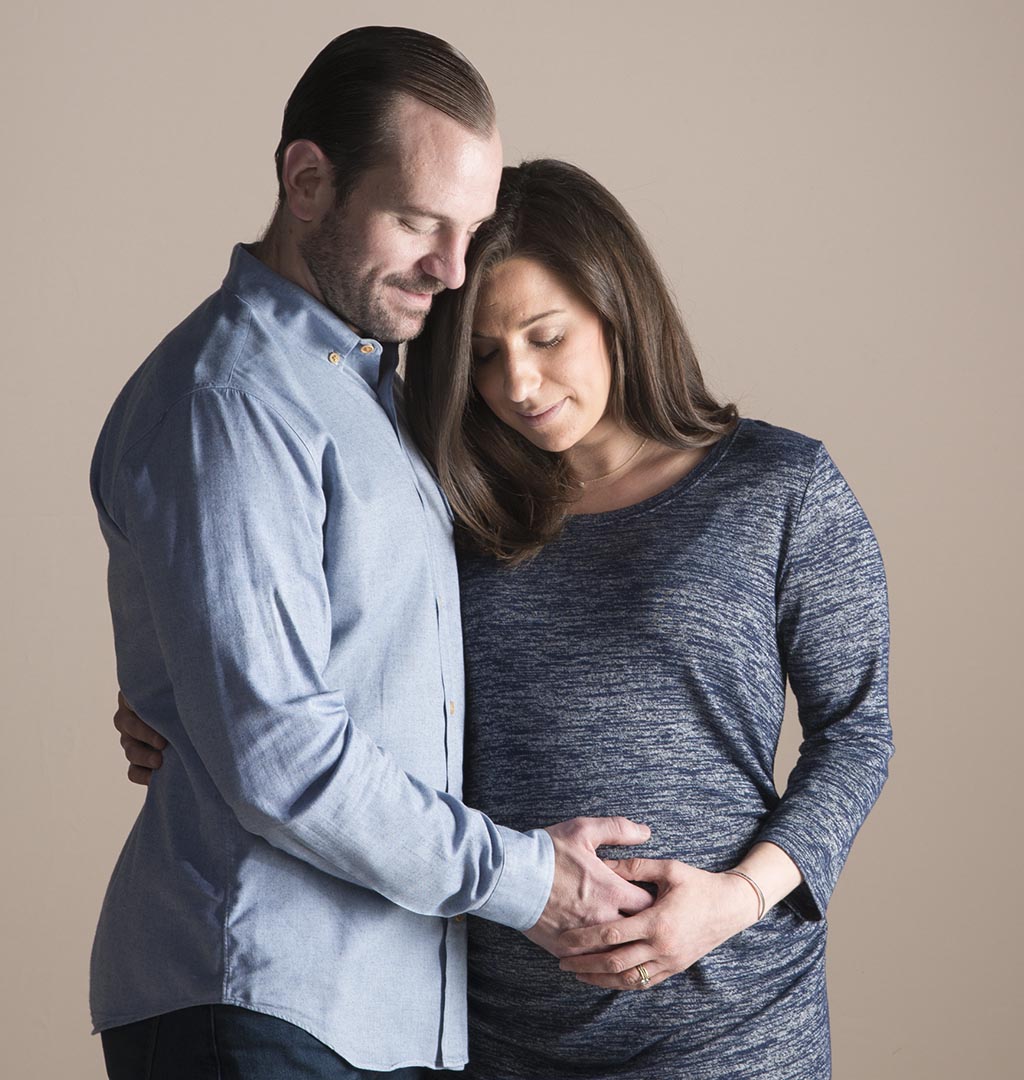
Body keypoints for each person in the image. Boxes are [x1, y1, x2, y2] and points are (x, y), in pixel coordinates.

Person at [120, 157, 893, 1078]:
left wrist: (740, 898)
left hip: (729, 1022)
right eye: (485, 355)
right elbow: (295, 641)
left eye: (546, 336)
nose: (519, 382)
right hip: (493, 1034)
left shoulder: (780, 488)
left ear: (618, 308)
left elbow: (857, 733)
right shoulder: (450, 507)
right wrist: (179, 700)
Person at [89, 29, 654, 1080]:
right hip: (264, 996)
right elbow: (280, 752)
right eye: (417, 222)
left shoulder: (374, 389)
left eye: (469, 230)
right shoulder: (234, 401)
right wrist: (533, 883)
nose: (452, 270)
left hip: (371, 1007)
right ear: (308, 181)